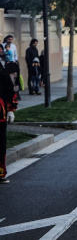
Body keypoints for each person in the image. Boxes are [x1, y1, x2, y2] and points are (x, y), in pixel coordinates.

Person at [0, 44, 19, 184]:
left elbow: (10, 90)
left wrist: (11, 110)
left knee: (0, 144)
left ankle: (0, 173)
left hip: (0, 113)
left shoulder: (2, 71)